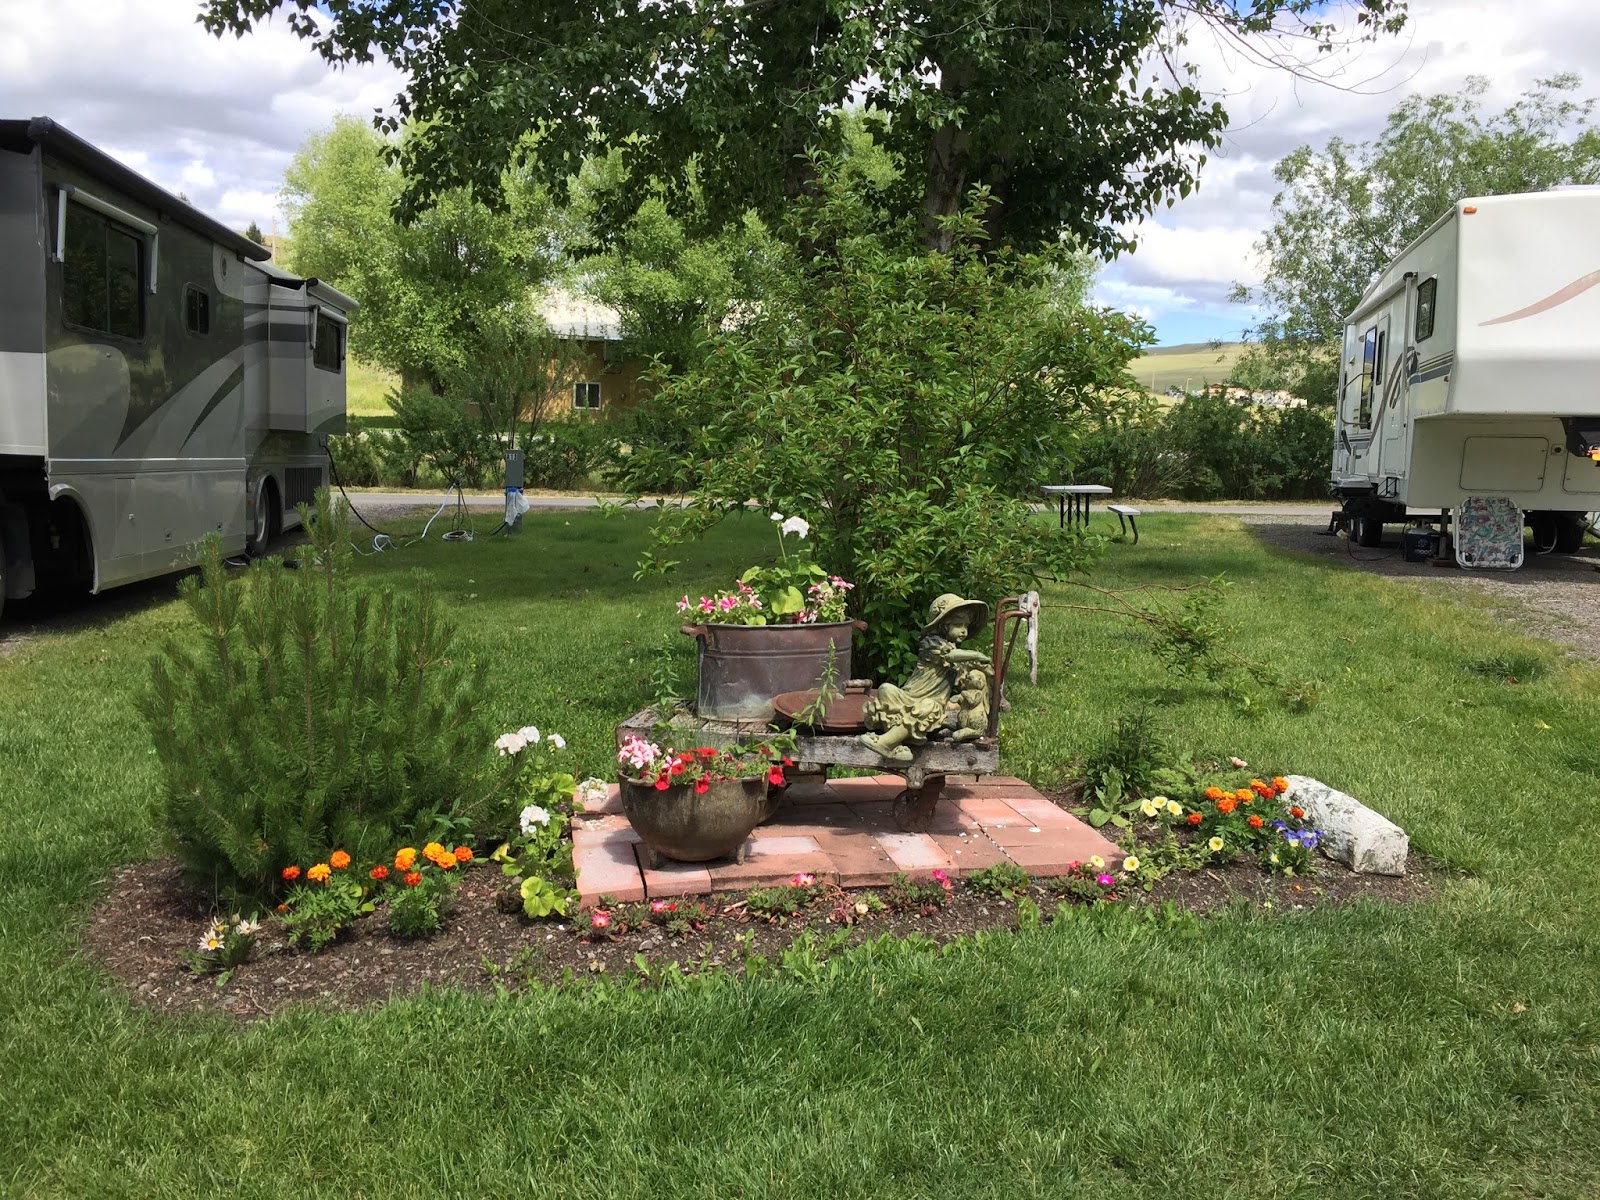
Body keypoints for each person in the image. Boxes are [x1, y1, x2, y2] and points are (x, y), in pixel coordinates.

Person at [859, 595, 992, 763]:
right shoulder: (931, 643)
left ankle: (887, 742)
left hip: (931, 703)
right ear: (943, 626)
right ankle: (897, 739)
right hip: (910, 696)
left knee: (928, 707)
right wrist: (976, 654)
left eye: (966, 625)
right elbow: (950, 655)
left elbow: (964, 681)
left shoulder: (959, 659)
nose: (964, 630)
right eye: (958, 625)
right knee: (886, 689)